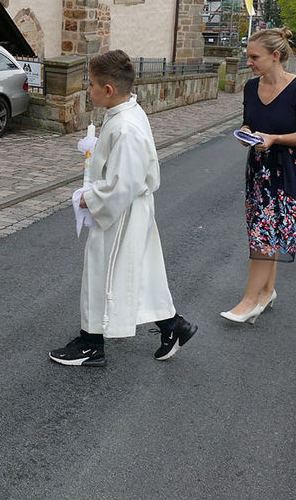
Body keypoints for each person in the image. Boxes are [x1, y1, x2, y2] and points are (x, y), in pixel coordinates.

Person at [49, 50, 196, 366]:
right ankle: (173, 325)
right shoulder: (123, 112)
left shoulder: (125, 127)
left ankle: (91, 344)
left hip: (123, 212)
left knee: (102, 273)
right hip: (130, 209)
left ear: (108, 90)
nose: (88, 91)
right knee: (137, 272)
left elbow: (123, 183)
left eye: (90, 85)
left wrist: (90, 198)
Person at [223, 28, 296, 324]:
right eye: (248, 56)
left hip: (289, 170)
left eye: (255, 57)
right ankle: (266, 291)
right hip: (259, 168)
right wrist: (247, 134)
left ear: (275, 56)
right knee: (264, 230)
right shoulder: (251, 88)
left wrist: (275, 139)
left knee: (265, 233)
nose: (249, 62)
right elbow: (249, 123)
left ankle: (250, 300)